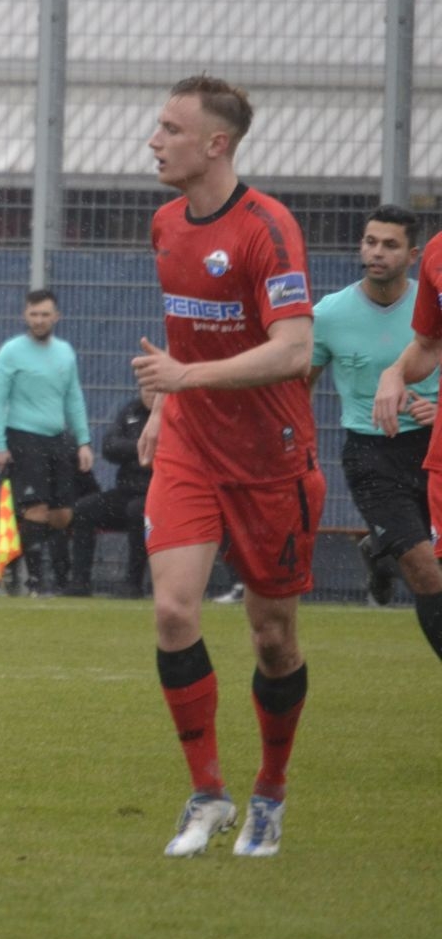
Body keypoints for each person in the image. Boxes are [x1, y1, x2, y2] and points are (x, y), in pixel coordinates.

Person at [131, 75, 323, 860]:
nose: (154, 141)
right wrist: (166, 407)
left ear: (217, 144)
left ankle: (269, 793)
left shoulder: (266, 228)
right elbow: (188, 338)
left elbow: (295, 349)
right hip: (190, 448)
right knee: (174, 612)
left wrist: (185, 379)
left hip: (271, 461)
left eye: (171, 129)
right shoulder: (165, 224)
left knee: (273, 638)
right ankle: (207, 794)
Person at [361, 208, 442, 664]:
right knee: (432, 579)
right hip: (431, 458)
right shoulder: (437, 253)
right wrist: (395, 373)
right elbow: (429, 343)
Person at [0, 289, 94, 595]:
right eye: (34, 314)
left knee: (61, 516)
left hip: (57, 440)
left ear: (56, 316)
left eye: (45, 314)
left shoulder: (65, 352)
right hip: (23, 436)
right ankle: (33, 582)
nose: (39, 320)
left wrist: (83, 441)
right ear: (25, 315)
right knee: (36, 509)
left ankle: (8, 552)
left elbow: (73, 398)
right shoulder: (11, 352)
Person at [66, 384, 152, 597]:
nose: (150, 394)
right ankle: (80, 582)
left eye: (155, 390)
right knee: (84, 509)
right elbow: (110, 447)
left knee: (137, 512)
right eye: (145, 389)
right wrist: (142, 447)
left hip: (158, 496)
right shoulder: (130, 411)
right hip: (127, 491)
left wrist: (133, 449)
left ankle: (133, 584)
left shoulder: (172, 415)